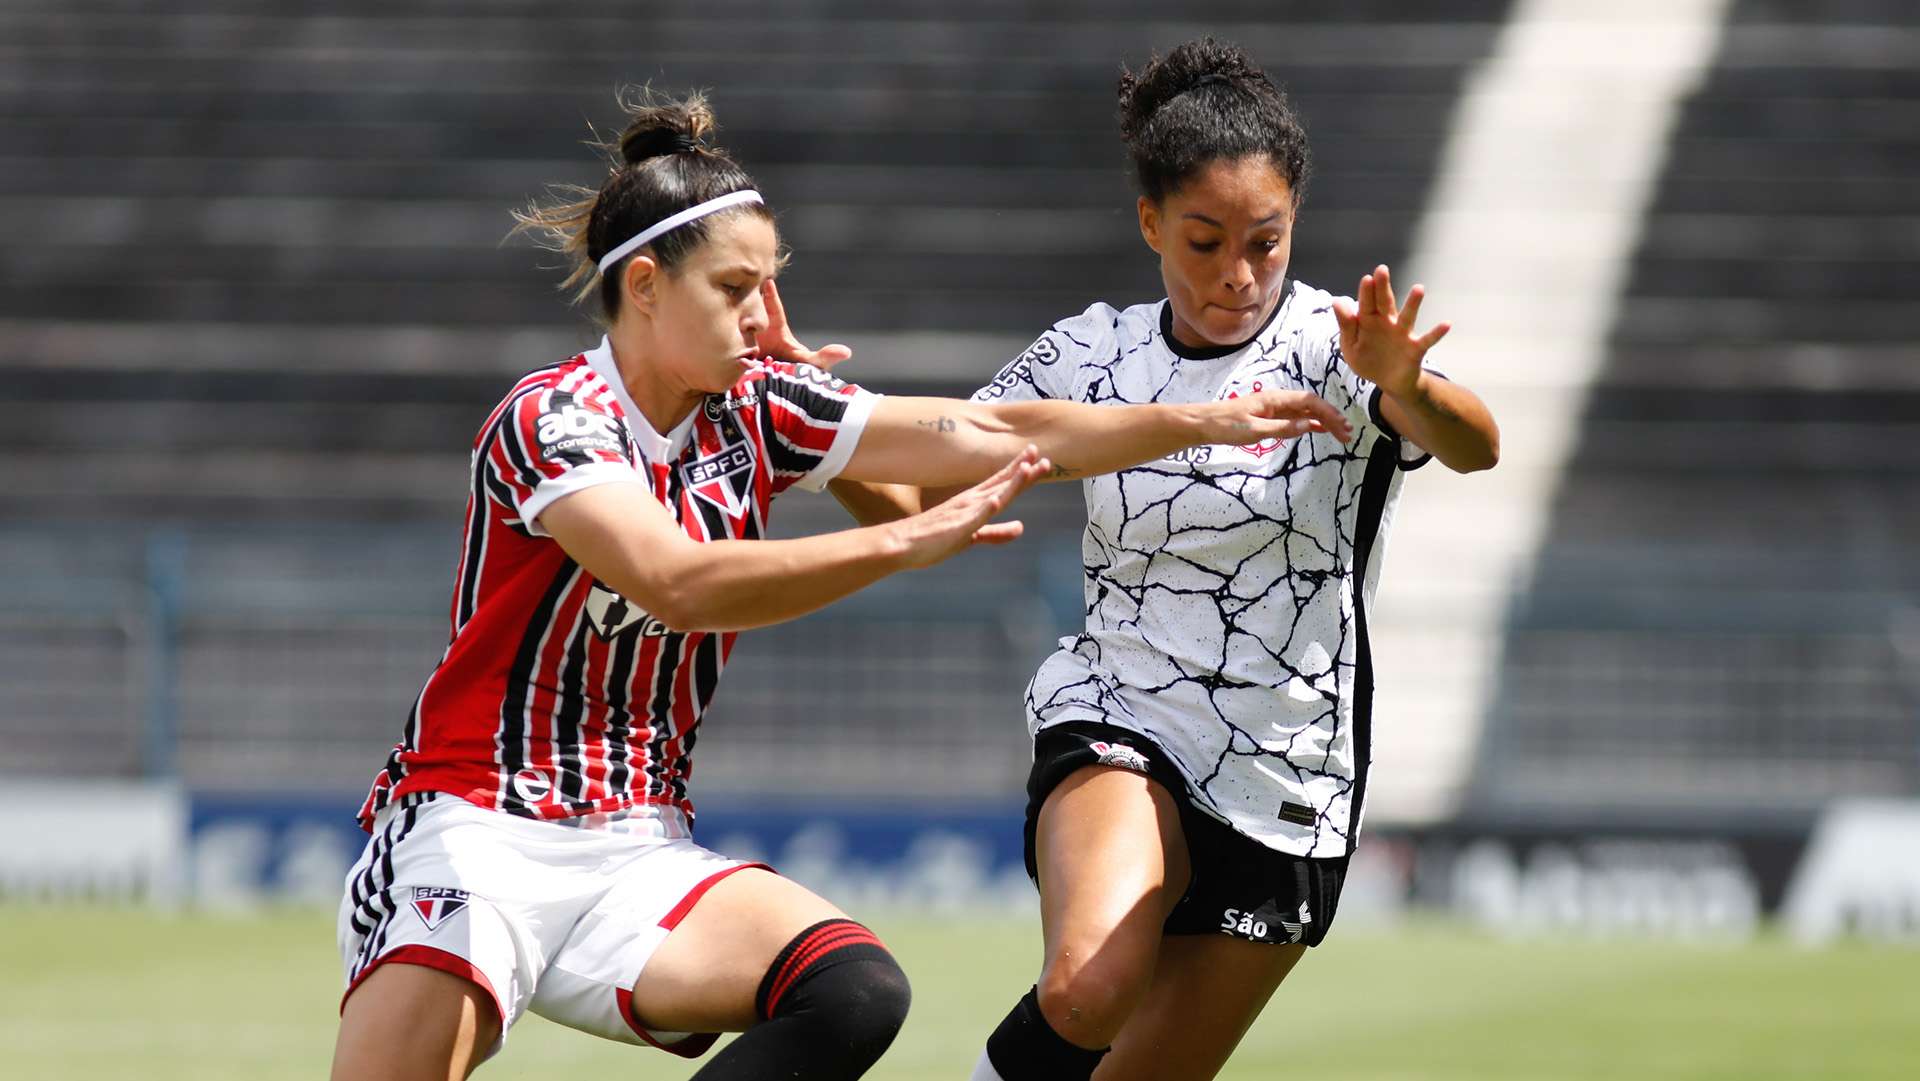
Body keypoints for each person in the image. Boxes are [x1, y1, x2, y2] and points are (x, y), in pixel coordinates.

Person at [329, 87, 1354, 1081]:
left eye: (773, 284)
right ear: (645, 286)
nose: (765, 313)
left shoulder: (760, 405)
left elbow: (991, 432)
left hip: (634, 844)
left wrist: (1202, 417)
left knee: (853, 991)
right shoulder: (554, 418)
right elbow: (681, 582)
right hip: (476, 826)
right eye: (737, 288)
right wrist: (899, 549)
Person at [942, 38, 1503, 1081]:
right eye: (1204, 241)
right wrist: (819, 429)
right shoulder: (1089, 354)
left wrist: (1408, 387)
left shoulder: (1346, 346)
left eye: (1266, 242)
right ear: (1151, 222)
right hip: (1124, 712)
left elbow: (1477, 443)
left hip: (1289, 771)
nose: (1236, 276)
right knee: (1086, 987)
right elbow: (926, 459)